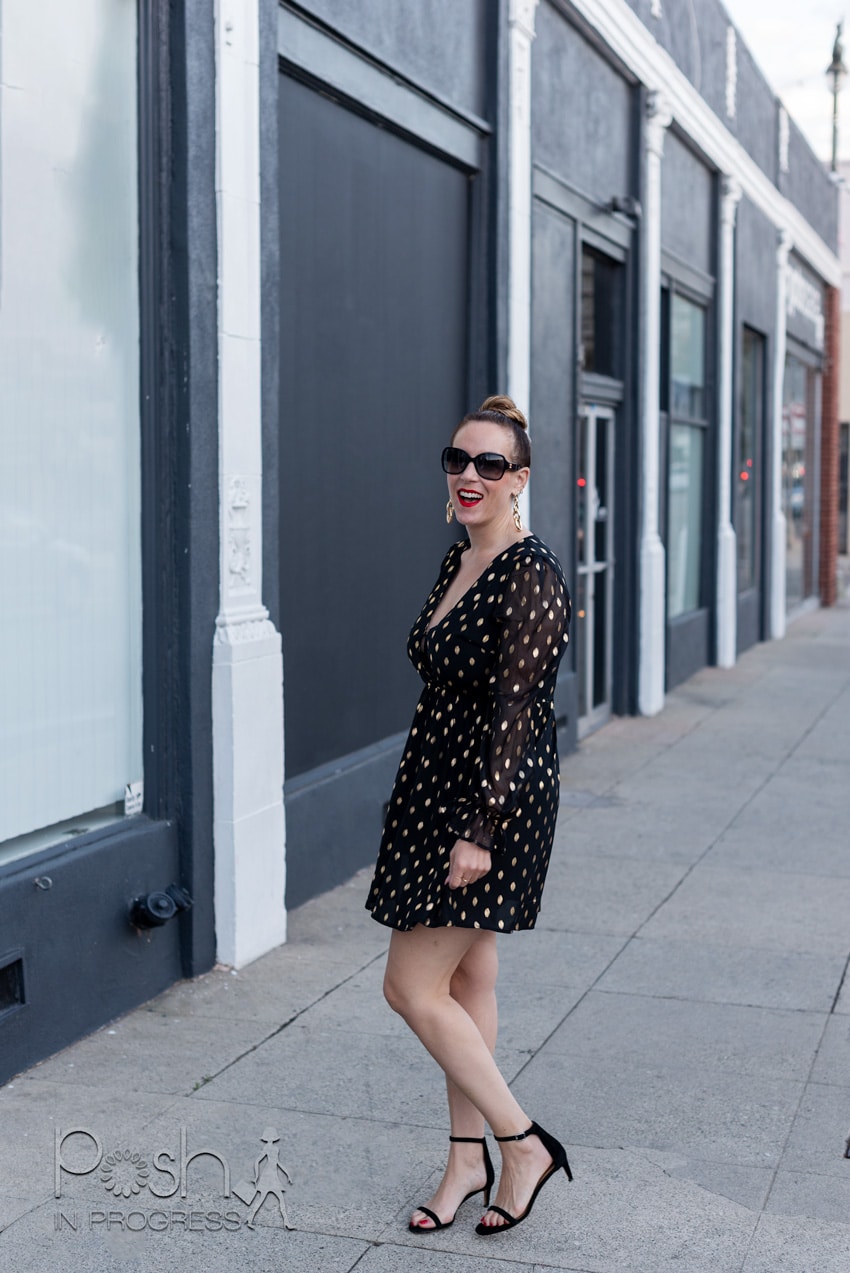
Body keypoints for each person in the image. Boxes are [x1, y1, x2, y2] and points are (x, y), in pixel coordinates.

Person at [365, 395, 573, 1235]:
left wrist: (478, 830)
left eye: (490, 464)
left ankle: (522, 1142)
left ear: (519, 479)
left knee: (408, 985)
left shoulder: (532, 574)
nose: (470, 476)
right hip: (432, 788)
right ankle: (465, 1158)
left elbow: (517, 712)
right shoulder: (459, 562)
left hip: (488, 804)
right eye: (458, 460)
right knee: (464, 978)